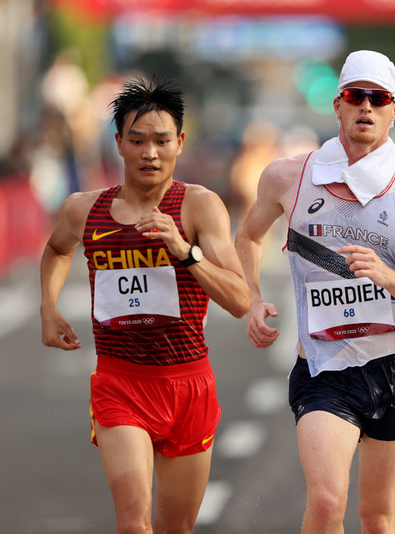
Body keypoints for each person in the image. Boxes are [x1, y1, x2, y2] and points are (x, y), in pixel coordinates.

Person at [234, 50, 395, 534]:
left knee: (377, 516)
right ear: (337, 104)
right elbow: (248, 236)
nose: (366, 108)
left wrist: (390, 277)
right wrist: (251, 296)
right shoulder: (288, 177)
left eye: (379, 99)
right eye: (356, 96)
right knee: (327, 502)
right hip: (323, 368)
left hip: (394, 370)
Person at [39, 77, 250, 533]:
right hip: (121, 383)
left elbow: (239, 299)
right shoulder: (84, 210)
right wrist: (47, 308)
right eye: (137, 141)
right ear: (118, 143)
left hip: (188, 383)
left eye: (160, 141)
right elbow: (57, 249)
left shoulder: (199, 207)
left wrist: (184, 250)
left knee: (176, 528)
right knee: (135, 524)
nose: (149, 153)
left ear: (180, 143)